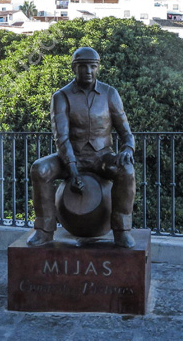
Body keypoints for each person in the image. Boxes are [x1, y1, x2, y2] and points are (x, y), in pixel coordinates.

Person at [27, 47, 136, 248]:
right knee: (39, 169)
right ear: (73, 68)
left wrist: (128, 149)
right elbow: (61, 137)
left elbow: (126, 132)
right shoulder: (61, 96)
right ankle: (44, 230)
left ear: (98, 68)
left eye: (92, 66)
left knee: (127, 170)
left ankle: (122, 231)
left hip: (101, 157)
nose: (88, 70)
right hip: (70, 157)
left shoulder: (110, 94)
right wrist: (72, 168)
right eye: (83, 66)